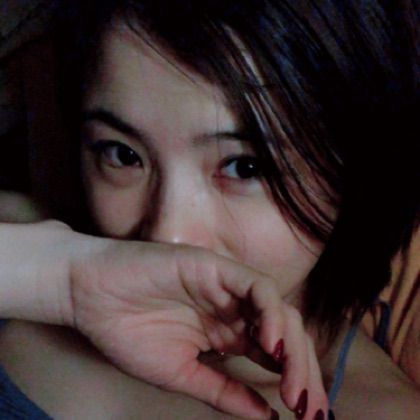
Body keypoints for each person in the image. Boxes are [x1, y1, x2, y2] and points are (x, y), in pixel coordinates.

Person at [0, 0, 419, 419]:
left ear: (358, 170)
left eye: (244, 167)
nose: (168, 238)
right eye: (123, 154)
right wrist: (59, 281)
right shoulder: (27, 246)